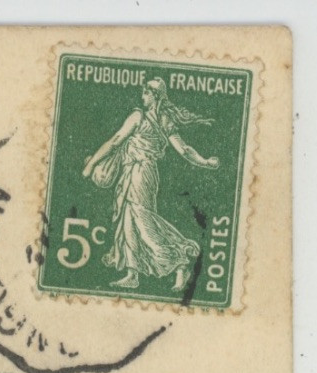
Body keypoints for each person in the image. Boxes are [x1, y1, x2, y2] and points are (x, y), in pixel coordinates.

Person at [82, 78, 220, 292]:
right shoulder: (165, 121)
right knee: (131, 220)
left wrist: (91, 164)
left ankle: (179, 259)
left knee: (141, 220)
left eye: (146, 93)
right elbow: (184, 150)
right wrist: (206, 162)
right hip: (141, 173)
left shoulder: (139, 117)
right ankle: (133, 273)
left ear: (155, 96)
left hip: (139, 173)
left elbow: (115, 140)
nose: (142, 96)